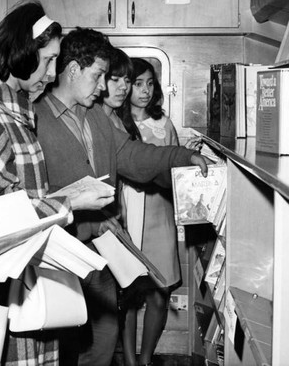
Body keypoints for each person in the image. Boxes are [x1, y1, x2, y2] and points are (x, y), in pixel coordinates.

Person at [0, 0, 114, 365]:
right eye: (49, 59)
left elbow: (17, 198)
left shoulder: (15, 115)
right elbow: (3, 220)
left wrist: (64, 197)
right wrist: (71, 203)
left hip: (21, 281)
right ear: (23, 50)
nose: (52, 74)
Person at [33, 27, 209, 366]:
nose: (104, 87)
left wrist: (180, 158)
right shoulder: (36, 116)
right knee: (63, 349)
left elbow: (133, 155)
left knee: (102, 342)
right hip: (58, 258)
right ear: (73, 71)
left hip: (101, 258)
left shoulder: (96, 117)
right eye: (98, 76)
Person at [117, 57, 182, 366]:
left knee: (159, 293)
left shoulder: (164, 125)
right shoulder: (115, 122)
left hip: (160, 217)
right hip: (127, 216)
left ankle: (144, 361)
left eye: (149, 84)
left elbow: (177, 176)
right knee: (127, 295)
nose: (144, 91)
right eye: (137, 84)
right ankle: (129, 361)